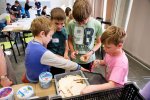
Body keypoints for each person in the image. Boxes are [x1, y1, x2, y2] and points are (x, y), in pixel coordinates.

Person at [23, 16, 88, 83]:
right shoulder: (42, 52)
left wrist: (61, 57)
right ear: (42, 34)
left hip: (30, 76)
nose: (51, 38)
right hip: (37, 82)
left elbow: (50, 56)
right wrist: (79, 67)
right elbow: (64, 64)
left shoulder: (31, 43)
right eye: (50, 35)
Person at [81, 26, 128, 94]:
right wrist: (99, 61)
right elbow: (106, 62)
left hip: (116, 91)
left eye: (108, 47)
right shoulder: (110, 53)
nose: (105, 49)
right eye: (104, 46)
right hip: (108, 83)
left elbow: (113, 85)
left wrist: (92, 88)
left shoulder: (121, 63)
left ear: (119, 46)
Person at [67, 0, 102, 70]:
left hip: (90, 59)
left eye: (83, 20)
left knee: (88, 77)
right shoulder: (71, 24)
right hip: (75, 60)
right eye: (78, 21)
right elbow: (70, 40)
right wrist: (72, 50)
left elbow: (99, 42)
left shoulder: (96, 24)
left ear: (89, 14)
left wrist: (90, 53)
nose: (81, 24)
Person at [47, 7, 69, 76]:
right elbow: (44, 48)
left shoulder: (64, 31)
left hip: (61, 59)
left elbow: (66, 46)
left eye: (62, 23)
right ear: (51, 21)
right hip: (51, 60)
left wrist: (66, 54)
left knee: (61, 75)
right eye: (56, 23)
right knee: (51, 76)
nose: (59, 26)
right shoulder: (48, 32)